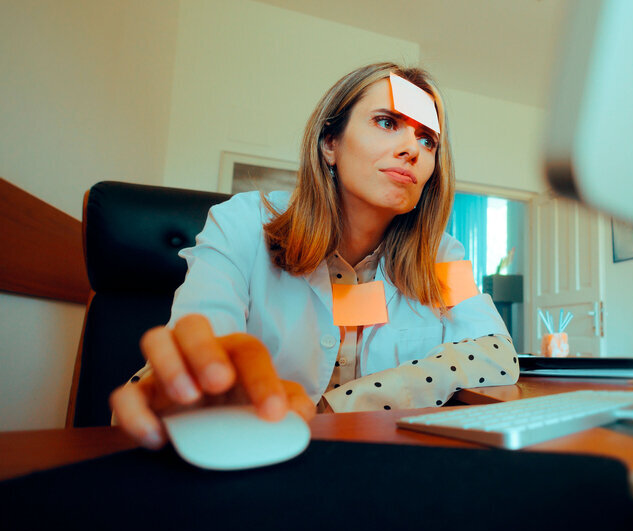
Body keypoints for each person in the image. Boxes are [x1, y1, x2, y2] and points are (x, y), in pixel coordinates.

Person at [111, 63, 519, 449]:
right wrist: (192, 388)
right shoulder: (240, 224)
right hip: (255, 455)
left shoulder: (442, 255)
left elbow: (496, 354)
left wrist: (336, 405)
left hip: (383, 464)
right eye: (387, 122)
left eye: (427, 139)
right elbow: (202, 352)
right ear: (330, 144)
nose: (411, 148)